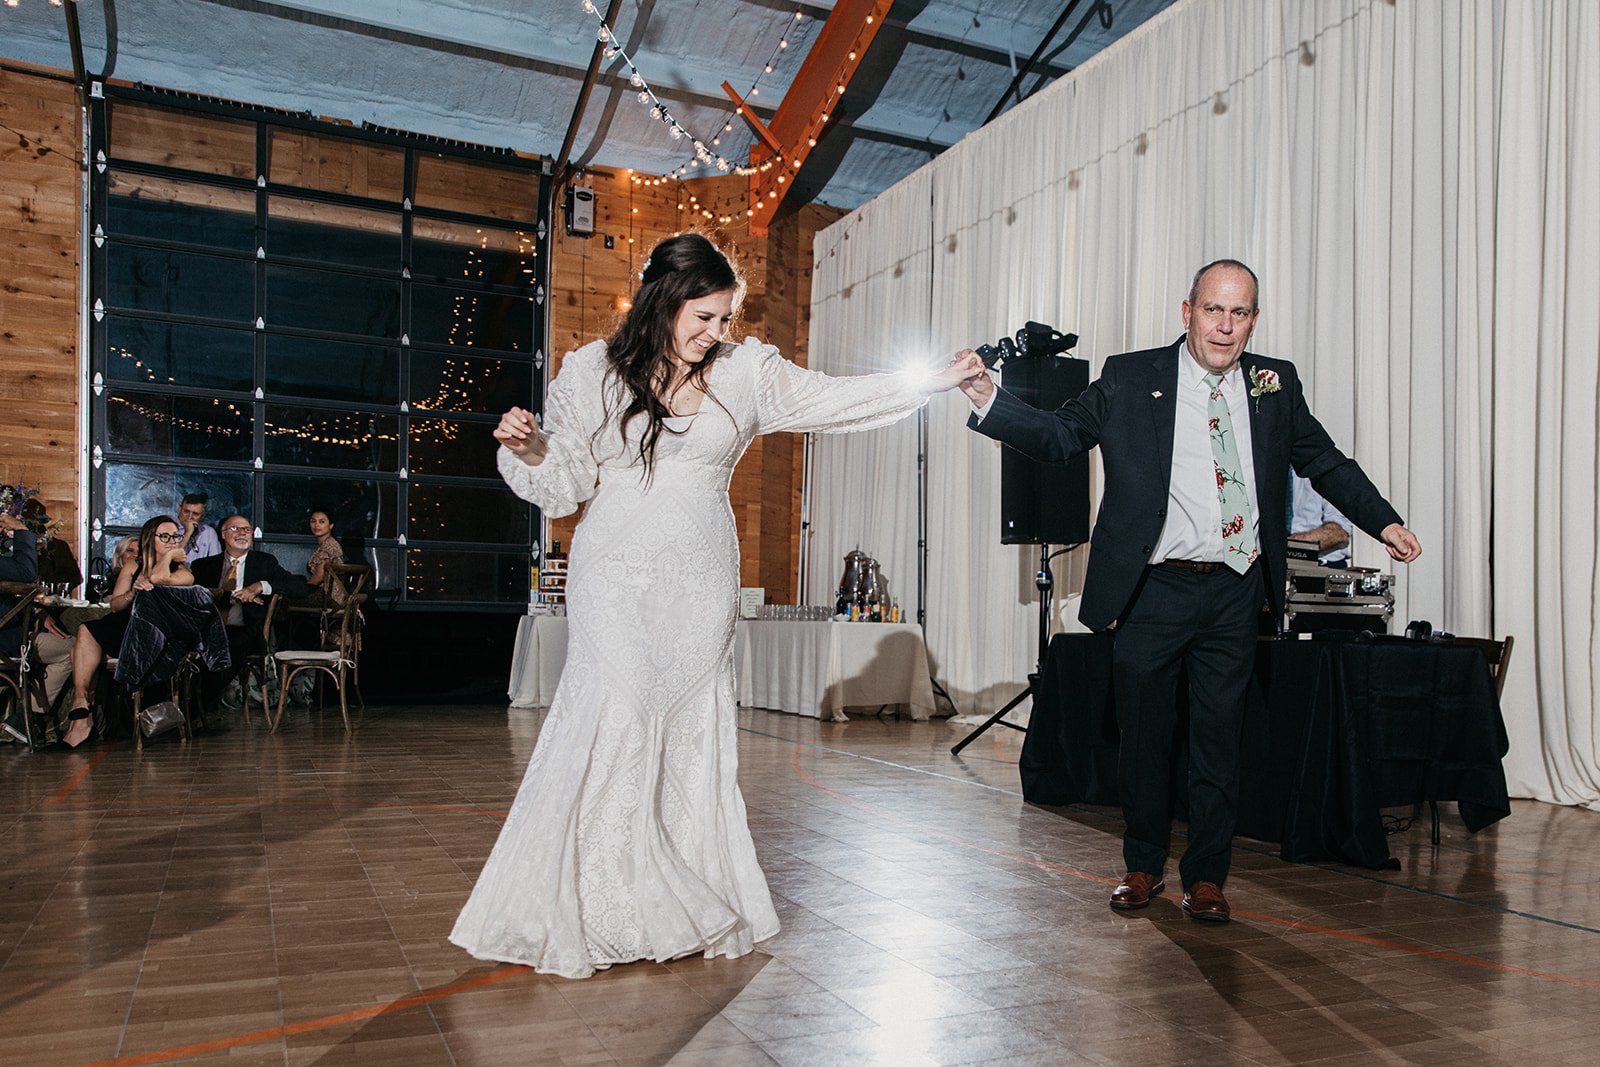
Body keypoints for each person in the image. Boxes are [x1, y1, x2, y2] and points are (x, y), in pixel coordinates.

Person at [451, 232, 982, 977]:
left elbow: (832, 397)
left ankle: (682, 881)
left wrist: (927, 382)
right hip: (615, 574)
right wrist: (534, 448)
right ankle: (605, 900)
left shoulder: (748, 372)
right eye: (704, 317)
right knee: (621, 715)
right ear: (663, 300)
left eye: (725, 318)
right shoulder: (592, 372)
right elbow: (567, 479)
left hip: (701, 578)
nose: (716, 334)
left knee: (688, 725)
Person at [958, 259, 1422, 922]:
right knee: (1145, 738)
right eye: (1213, 310)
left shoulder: (1273, 383)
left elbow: (1323, 460)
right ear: (1187, 312)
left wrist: (1383, 519)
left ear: (1253, 320)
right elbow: (1060, 436)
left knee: (1217, 739)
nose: (1225, 326)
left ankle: (1206, 875)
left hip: (1234, 589)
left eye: (1239, 313)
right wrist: (986, 397)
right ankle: (1143, 865)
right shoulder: (1129, 375)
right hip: (1152, 588)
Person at [62, 515, 195, 748]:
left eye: (175, 536)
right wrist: (132, 592)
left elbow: (158, 577)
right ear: (149, 538)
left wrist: (171, 555)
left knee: (85, 645)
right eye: (165, 536)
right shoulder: (132, 566)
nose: (172, 541)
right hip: (126, 623)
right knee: (87, 629)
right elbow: (115, 604)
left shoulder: (184, 572)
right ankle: (81, 700)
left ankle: (84, 719)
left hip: (158, 632)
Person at [189, 516, 306, 714]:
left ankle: (196, 710)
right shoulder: (203, 566)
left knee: (227, 646)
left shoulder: (264, 563)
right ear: (223, 534)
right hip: (206, 629)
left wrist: (260, 586)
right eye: (235, 528)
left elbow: (299, 586)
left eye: (247, 529)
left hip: (245, 630)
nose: (242, 533)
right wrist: (224, 596)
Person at [1291, 475, 1354, 567]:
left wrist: (1284, 545)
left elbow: (1338, 532)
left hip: (1323, 564)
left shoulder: (1326, 469)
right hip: (1273, 562)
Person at [301, 510, 347, 608]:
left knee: (282, 599)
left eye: (322, 522)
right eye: (313, 521)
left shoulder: (329, 545)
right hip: (323, 594)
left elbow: (319, 577)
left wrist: (300, 589)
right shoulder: (324, 545)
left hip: (328, 597)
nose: (316, 525)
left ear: (331, 525)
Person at [178, 492, 221, 564]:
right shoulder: (168, 527)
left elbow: (215, 562)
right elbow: (171, 558)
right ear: (179, 508)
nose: (190, 517)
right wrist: (188, 533)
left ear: (203, 515)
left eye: (195, 514)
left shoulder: (208, 533)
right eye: (186, 511)